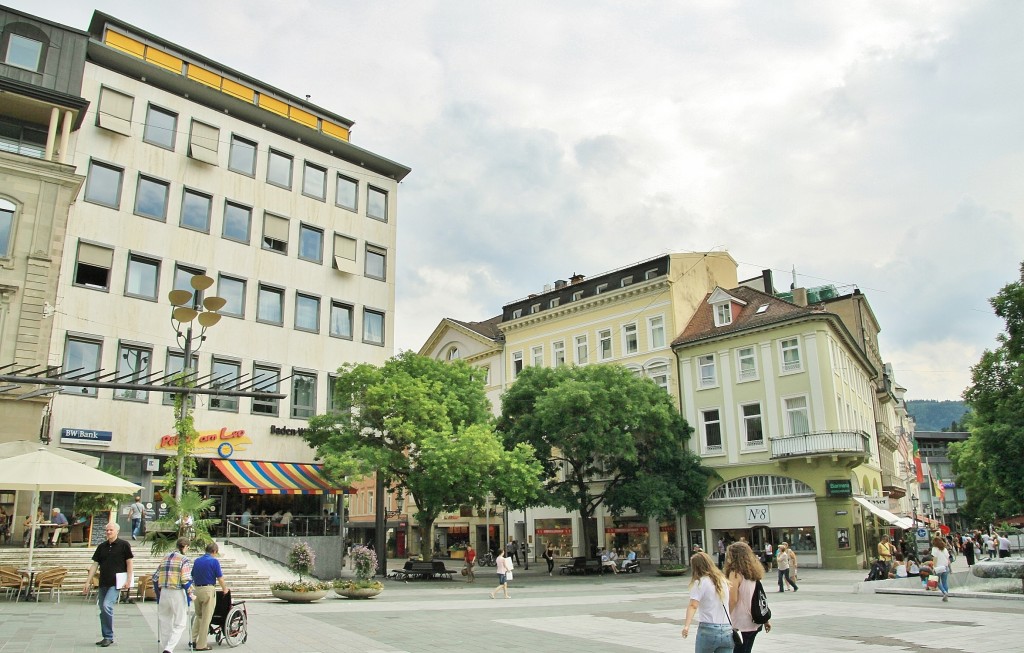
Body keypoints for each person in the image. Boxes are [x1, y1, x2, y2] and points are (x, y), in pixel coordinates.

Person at [83, 522, 134, 647]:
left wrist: (129, 579)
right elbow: (95, 564)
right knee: (102, 608)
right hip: (103, 581)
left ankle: (109, 636)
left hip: (116, 582)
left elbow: (129, 562)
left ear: (117, 531)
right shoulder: (102, 546)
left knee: (107, 606)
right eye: (107, 530)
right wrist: (87, 581)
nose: (108, 532)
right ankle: (106, 635)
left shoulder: (124, 545)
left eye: (111, 530)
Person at [681, 551, 733, 653]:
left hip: (708, 629)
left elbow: (693, 605)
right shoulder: (723, 580)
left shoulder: (700, 582)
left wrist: (686, 626)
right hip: (727, 628)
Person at [725, 542, 772, 653]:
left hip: (741, 622)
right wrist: (766, 619)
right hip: (755, 620)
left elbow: (733, 599)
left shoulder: (735, 573)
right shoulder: (753, 572)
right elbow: (759, 596)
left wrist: (724, 616)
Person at [153, 536, 192, 653]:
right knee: (180, 623)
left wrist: (158, 594)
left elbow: (155, 577)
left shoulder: (165, 557)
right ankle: (169, 649)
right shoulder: (184, 559)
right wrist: (191, 592)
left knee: (165, 620)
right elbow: (185, 579)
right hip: (177, 592)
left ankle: (165, 646)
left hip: (164, 591)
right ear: (185, 547)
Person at [191, 541, 228, 651]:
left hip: (197, 589)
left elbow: (192, 574)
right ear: (214, 551)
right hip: (208, 590)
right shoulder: (214, 561)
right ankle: (201, 644)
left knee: (199, 616)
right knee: (206, 618)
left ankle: (192, 640)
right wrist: (224, 589)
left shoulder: (197, 560)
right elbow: (220, 578)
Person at [931, 536, 952, 602]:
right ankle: (946, 595)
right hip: (945, 567)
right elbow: (948, 560)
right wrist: (950, 568)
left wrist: (933, 567)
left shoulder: (934, 549)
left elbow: (935, 559)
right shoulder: (945, 549)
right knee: (944, 582)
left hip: (938, 567)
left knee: (935, 581)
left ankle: (944, 592)